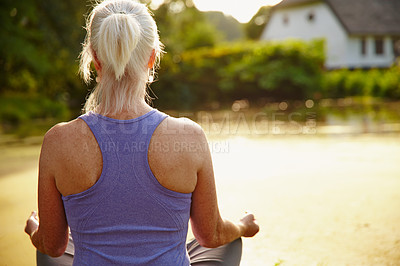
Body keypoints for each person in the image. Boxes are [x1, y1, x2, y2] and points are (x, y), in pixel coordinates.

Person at [24, 0, 259, 265]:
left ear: (95, 58)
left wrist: (34, 228)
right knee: (228, 240)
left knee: (54, 248)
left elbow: (53, 245)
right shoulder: (189, 136)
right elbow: (211, 234)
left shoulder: (58, 140)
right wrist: (242, 226)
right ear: (152, 57)